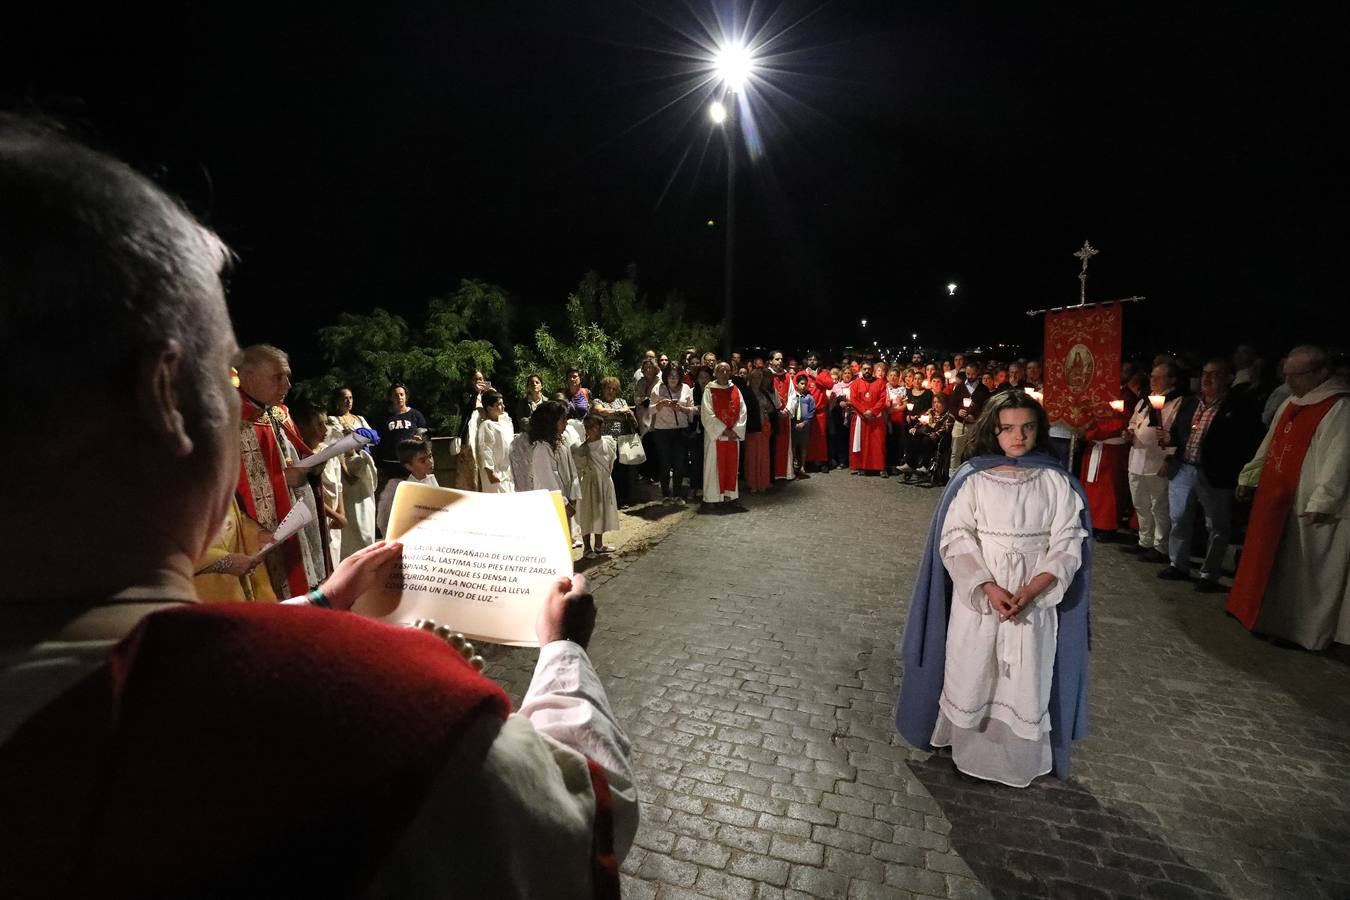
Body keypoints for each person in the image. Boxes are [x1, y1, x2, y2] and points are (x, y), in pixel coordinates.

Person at [0, 118, 635, 899]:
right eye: (221, 374)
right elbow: (588, 825)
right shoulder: (388, 726)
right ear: (164, 395)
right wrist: (564, 656)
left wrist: (317, 605)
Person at [898, 391, 1092, 787]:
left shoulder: (1055, 482)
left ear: (1038, 430)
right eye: (1007, 429)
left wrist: (1036, 587)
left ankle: (1017, 760)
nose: (1017, 437)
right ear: (993, 430)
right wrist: (986, 585)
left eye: (1027, 427)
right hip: (981, 600)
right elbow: (956, 537)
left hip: (1033, 602)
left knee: (1025, 675)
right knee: (974, 668)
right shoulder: (973, 478)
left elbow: (1069, 541)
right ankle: (968, 748)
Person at [1227, 345, 1349, 650]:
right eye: (1287, 374)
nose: (1290, 381)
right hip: (1278, 500)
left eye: (1297, 374)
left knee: (1308, 571)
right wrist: (1250, 476)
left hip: (1310, 504)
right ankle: (1270, 619)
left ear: (1322, 373)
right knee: (1277, 565)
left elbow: (1340, 460)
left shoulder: (1338, 408)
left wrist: (1323, 500)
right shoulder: (1292, 403)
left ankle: (1303, 632)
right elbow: (1269, 446)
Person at [1158, 358, 1265, 592]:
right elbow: (1179, 433)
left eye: (1214, 375)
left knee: (1216, 524)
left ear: (1228, 378)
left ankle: (1209, 573)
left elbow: (1248, 441)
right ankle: (1178, 563)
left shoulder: (1238, 407)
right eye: (1205, 373)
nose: (1207, 379)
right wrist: (1170, 444)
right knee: (1179, 517)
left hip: (1214, 472)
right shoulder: (1190, 404)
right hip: (1184, 467)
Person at [235, 344, 329, 596]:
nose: (287, 386)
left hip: (289, 520)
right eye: (278, 377)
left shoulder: (273, 414)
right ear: (249, 378)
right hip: (250, 534)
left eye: (288, 377)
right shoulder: (227, 419)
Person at [1122, 362, 1184, 562]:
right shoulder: (1143, 402)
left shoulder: (1177, 403)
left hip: (1157, 461)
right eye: (1152, 377)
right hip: (1137, 459)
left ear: (1172, 380)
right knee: (1140, 503)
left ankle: (1160, 546)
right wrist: (1129, 432)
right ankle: (1145, 540)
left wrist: (1169, 458)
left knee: (1159, 505)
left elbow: (1179, 433)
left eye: (1159, 377)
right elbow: (1133, 422)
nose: (1153, 380)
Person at [330, 387, 378, 559]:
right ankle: (352, 557)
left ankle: (368, 553)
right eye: (344, 398)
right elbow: (337, 447)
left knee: (366, 513)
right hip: (346, 472)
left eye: (350, 397)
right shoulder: (333, 420)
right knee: (353, 518)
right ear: (337, 401)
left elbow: (371, 438)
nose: (348, 401)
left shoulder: (360, 419)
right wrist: (345, 473)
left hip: (362, 469)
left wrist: (366, 438)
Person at [297, 404, 347, 567]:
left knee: (335, 562)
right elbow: (309, 494)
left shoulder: (329, 451)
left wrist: (341, 513)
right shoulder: (301, 458)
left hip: (333, 521)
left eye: (326, 423)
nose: (325, 429)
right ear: (304, 427)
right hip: (317, 517)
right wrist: (334, 514)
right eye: (319, 424)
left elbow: (338, 486)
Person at [529, 400, 582, 546]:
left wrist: (573, 495)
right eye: (562, 419)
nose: (566, 423)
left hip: (565, 500)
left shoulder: (561, 443)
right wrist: (564, 503)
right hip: (552, 505)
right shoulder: (541, 449)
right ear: (551, 422)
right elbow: (548, 482)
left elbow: (572, 472)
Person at [1079, 400, 1131, 539]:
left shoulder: (1123, 398)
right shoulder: (1095, 396)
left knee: (1108, 492)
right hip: (1096, 450)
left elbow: (1116, 425)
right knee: (1092, 489)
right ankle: (1093, 522)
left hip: (1111, 453)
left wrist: (1097, 425)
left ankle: (1107, 525)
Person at [699, 362, 748, 511]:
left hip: (732, 436)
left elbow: (742, 411)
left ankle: (730, 496)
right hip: (716, 437)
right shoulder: (709, 390)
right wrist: (724, 430)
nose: (725, 373)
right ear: (715, 373)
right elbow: (707, 414)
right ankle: (712, 498)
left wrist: (735, 430)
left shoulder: (735, 390)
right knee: (713, 467)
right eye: (721, 370)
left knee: (732, 466)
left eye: (727, 370)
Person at [573, 416, 620, 557]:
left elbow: (611, 462)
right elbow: (579, 468)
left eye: (595, 427)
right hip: (589, 485)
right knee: (588, 514)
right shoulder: (582, 449)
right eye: (589, 427)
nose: (592, 430)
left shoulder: (608, 443)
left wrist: (605, 478)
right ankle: (587, 547)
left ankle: (599, 544)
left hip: (604, 481)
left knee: (601, 512)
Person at [591, 376, 639, 509]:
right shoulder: (597, 401)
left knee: (623, 472)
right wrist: (619, 412)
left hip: (623, 442)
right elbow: (601, 411)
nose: (611, 391)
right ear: (603, 389)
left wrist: (615, 414)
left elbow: (628, 415)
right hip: (605, 442)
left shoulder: (621, 400)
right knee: (608, 472)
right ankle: (607, 500)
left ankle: (622, 499)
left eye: (614, 389)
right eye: (608, 388)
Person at [649, 366, 695, 503]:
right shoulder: (658, 388)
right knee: (664, 463)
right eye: (670, 375)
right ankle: (665, 495)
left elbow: (692, 409)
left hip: (680, 430)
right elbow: (650, 410)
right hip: (662, 430)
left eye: (676, 375)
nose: (673, 378)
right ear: (665, 376)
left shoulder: (686, 388)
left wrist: (682, 408)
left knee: (679, 464)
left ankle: (677, 494)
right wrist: (661, 404)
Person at [376, 438, 440, 536]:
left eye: (430, 456)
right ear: (409, 466)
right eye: (422, 461)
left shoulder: (432, 481)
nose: (430, 462)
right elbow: (384, 520)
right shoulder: (401, 488)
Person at [377, 383, 428, 483]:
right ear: (391, 398)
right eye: (396, 395)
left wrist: (421, 439)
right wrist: (380, 466)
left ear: (406, 396)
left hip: (412, 464)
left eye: (401, 394)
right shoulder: (385, 418)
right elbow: (381, 442)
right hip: (391, 465)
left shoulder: (415, 415)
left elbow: (426, 436)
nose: (399, 397)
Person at [848, 362, 888, 475]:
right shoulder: (856, 383)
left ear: (872, 370)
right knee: (862, 443)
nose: (867, 371)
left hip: (875, 418)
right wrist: (864, 411)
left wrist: (872, 411)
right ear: (861, 370)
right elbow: (853, 399)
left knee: (878, 444)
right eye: (865, 369)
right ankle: (862, 466)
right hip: (862, 417)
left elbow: (882, 399)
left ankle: (880, 467)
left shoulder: (880, 383)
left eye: (869, 369)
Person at [477, 389, 515, 493]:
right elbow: (485, 450)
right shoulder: (486, 425)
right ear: (489, 408)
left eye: (503, 403)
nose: (503, 406)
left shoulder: (505, 423)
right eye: (499, 404)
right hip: (495, 473)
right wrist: (490, 472)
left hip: (508, 472)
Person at [742, 368, 771, 493]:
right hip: (751, 428)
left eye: (759, 377)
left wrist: (766, 410)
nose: (757, 380)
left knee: (763, 457)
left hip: (763, 428)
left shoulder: (764, 392)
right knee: (752, 457)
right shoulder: (746, 393)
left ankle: (763, 482)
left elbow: (772, 408)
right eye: (754, 377)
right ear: (750, 379)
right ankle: (753, 483)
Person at [788, 372, 816, 479]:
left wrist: (804, 423)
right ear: (796, 384)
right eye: (801, 383)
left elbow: (812, 412)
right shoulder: (793, 397)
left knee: (803, 446)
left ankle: (803, 466)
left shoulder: (809, 398)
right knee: (794, 446)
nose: (804, 386)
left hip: (805, 425)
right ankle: (794, 465)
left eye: (805, 384)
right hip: (794, 424)